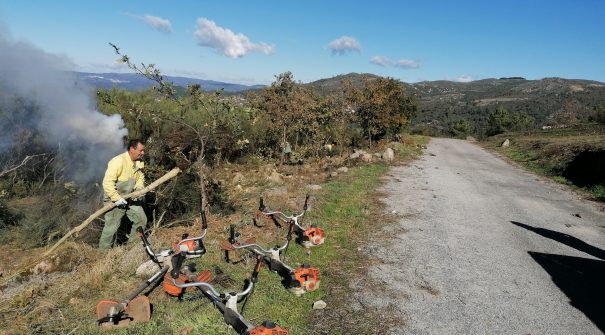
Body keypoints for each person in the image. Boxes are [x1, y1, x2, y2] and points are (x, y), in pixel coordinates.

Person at [99, 139, 147, 249]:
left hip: (129, 198)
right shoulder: (118, 161)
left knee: (141, 219)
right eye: (141, 150)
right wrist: (116, 198)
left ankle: (131, 248)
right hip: (114, 200)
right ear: (132, 149)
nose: (143, 153)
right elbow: (107, 183)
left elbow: (140, 177)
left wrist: (139, 188)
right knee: (111, 228)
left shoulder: (138, 163)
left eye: (143, 150)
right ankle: (102, 255)